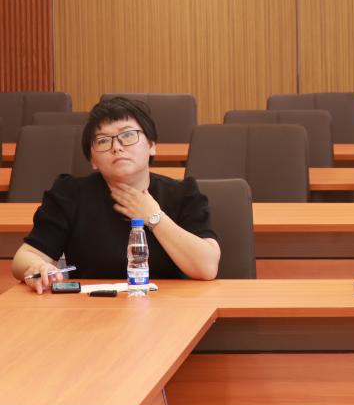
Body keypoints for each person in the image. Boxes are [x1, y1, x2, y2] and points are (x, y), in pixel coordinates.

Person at [11, 97, 221, 293]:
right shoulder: (70, 194)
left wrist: (154, 217)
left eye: (127, 135)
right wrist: (36, 267)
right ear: (92, 160)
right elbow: (26, 256)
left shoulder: (182, 193)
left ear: (151, 145)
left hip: (169, 308)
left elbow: (207, 267)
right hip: (92, 309)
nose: (116, 147)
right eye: (103, 141)